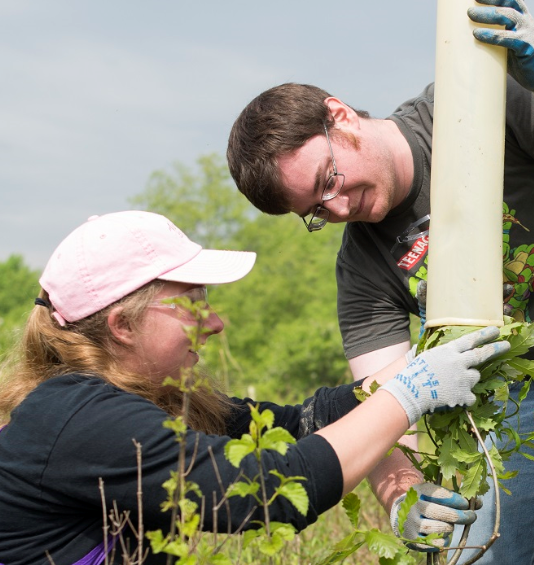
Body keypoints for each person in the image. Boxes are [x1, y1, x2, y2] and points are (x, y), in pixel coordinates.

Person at [226, 0, 534, 563]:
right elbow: (384, 401)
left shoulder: (476, 109)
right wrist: (399, 493)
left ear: (341, 117)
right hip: (518, 398)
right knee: (469, 555)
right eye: (314, 210)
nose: (336, 207)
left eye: (328, 179)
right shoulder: (363, 264)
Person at [0, 210, 508, 565]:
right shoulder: (79, 419)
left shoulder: (151, 398)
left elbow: (294, 426)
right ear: (122, 326)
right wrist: (409, 394)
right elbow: (267, 490)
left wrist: (408, 369)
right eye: (192, 303)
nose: (215, 322)